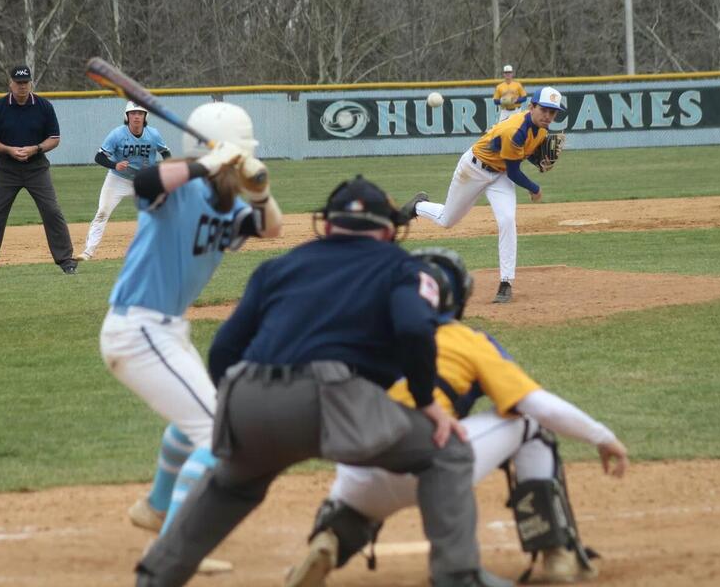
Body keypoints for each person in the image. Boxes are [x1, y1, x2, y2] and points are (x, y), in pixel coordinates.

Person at [135, 176, 512, 587]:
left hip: (249, 394)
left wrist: (238, 409)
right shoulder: (400, 266)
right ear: (388, 229)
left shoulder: (278, 267)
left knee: (231, 486)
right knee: (447, 451)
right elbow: (414, 330)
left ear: (328, 225)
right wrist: (426, 402)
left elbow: (224, 349)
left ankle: (154, 577)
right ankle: (458, 576)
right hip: (333, 397)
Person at [285, 248, 628, 587]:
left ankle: (331, 535)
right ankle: (557, 552)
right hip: (429, 465)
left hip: (355, 474)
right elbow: (538, 405)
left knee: (364, 479)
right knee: (531, 425)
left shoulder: (371, 335)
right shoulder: (467, 340)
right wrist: (601, 435)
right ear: (456, 299)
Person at [98, 102, 283, 572]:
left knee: (195, 417)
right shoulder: (176, 190)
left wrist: (260, 193)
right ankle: (174, 547)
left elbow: (270, 228)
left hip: (166, 331)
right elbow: (144, 183)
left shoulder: (231, 203)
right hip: (138, 330)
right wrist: (208, 163)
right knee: (217, 432)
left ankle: (156, 507)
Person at [411, 86, 566, 304]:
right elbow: (514, 172)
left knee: (507, 219)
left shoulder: (540, 130)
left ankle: (506, 283)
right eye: (544, 110)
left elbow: (521, 156)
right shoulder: (515, 130)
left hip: (499, 175)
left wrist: (538, 162)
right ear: (532, 107)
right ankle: (417, 206)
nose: (548, 116)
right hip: (473, 169)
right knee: (447, 220)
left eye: (553, 112)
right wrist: (534, 187)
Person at [0, 64, 77, 277]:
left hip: (36, 167)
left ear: (31, 83)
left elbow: (54, 138)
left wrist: (36, 148)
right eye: (18, 83)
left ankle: (66, 261)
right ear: (10, 83)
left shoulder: (44, 106)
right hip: (6, 169)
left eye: (25, 83)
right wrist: (9, 150)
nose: (22, 87)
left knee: (52, 211)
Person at [77, 101, 171, 261]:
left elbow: (166, 153)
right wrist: (115, 164)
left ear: (145, 116)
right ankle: (88, 251)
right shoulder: (117, 134)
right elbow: (99, 157)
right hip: (118, 179)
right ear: (127, 116)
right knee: (102, 212)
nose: (136, 117)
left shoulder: (153, 134)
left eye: (140, 113)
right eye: (133, 113)